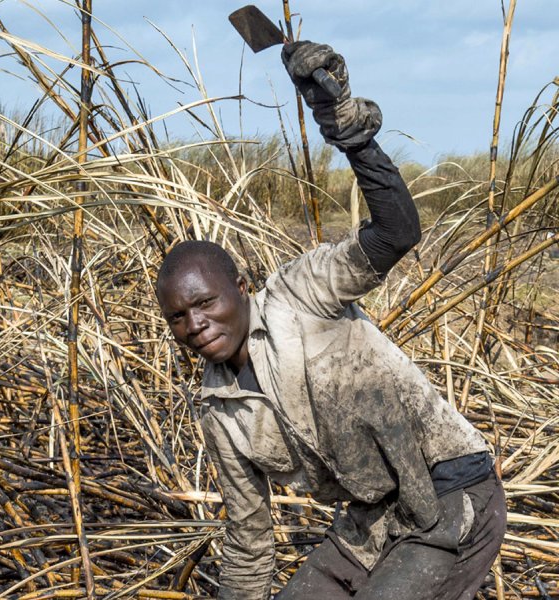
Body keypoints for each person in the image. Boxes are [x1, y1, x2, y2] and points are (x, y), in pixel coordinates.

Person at [155, 42, 506, 600]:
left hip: (451, 496)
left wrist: (348, 130)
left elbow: (395, 233)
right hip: (367, 527)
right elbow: (248, 544)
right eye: (178, 317)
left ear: (241, 289)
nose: (195, 324)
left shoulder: (301, 293)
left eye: (205, 304)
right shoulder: (220, 410)